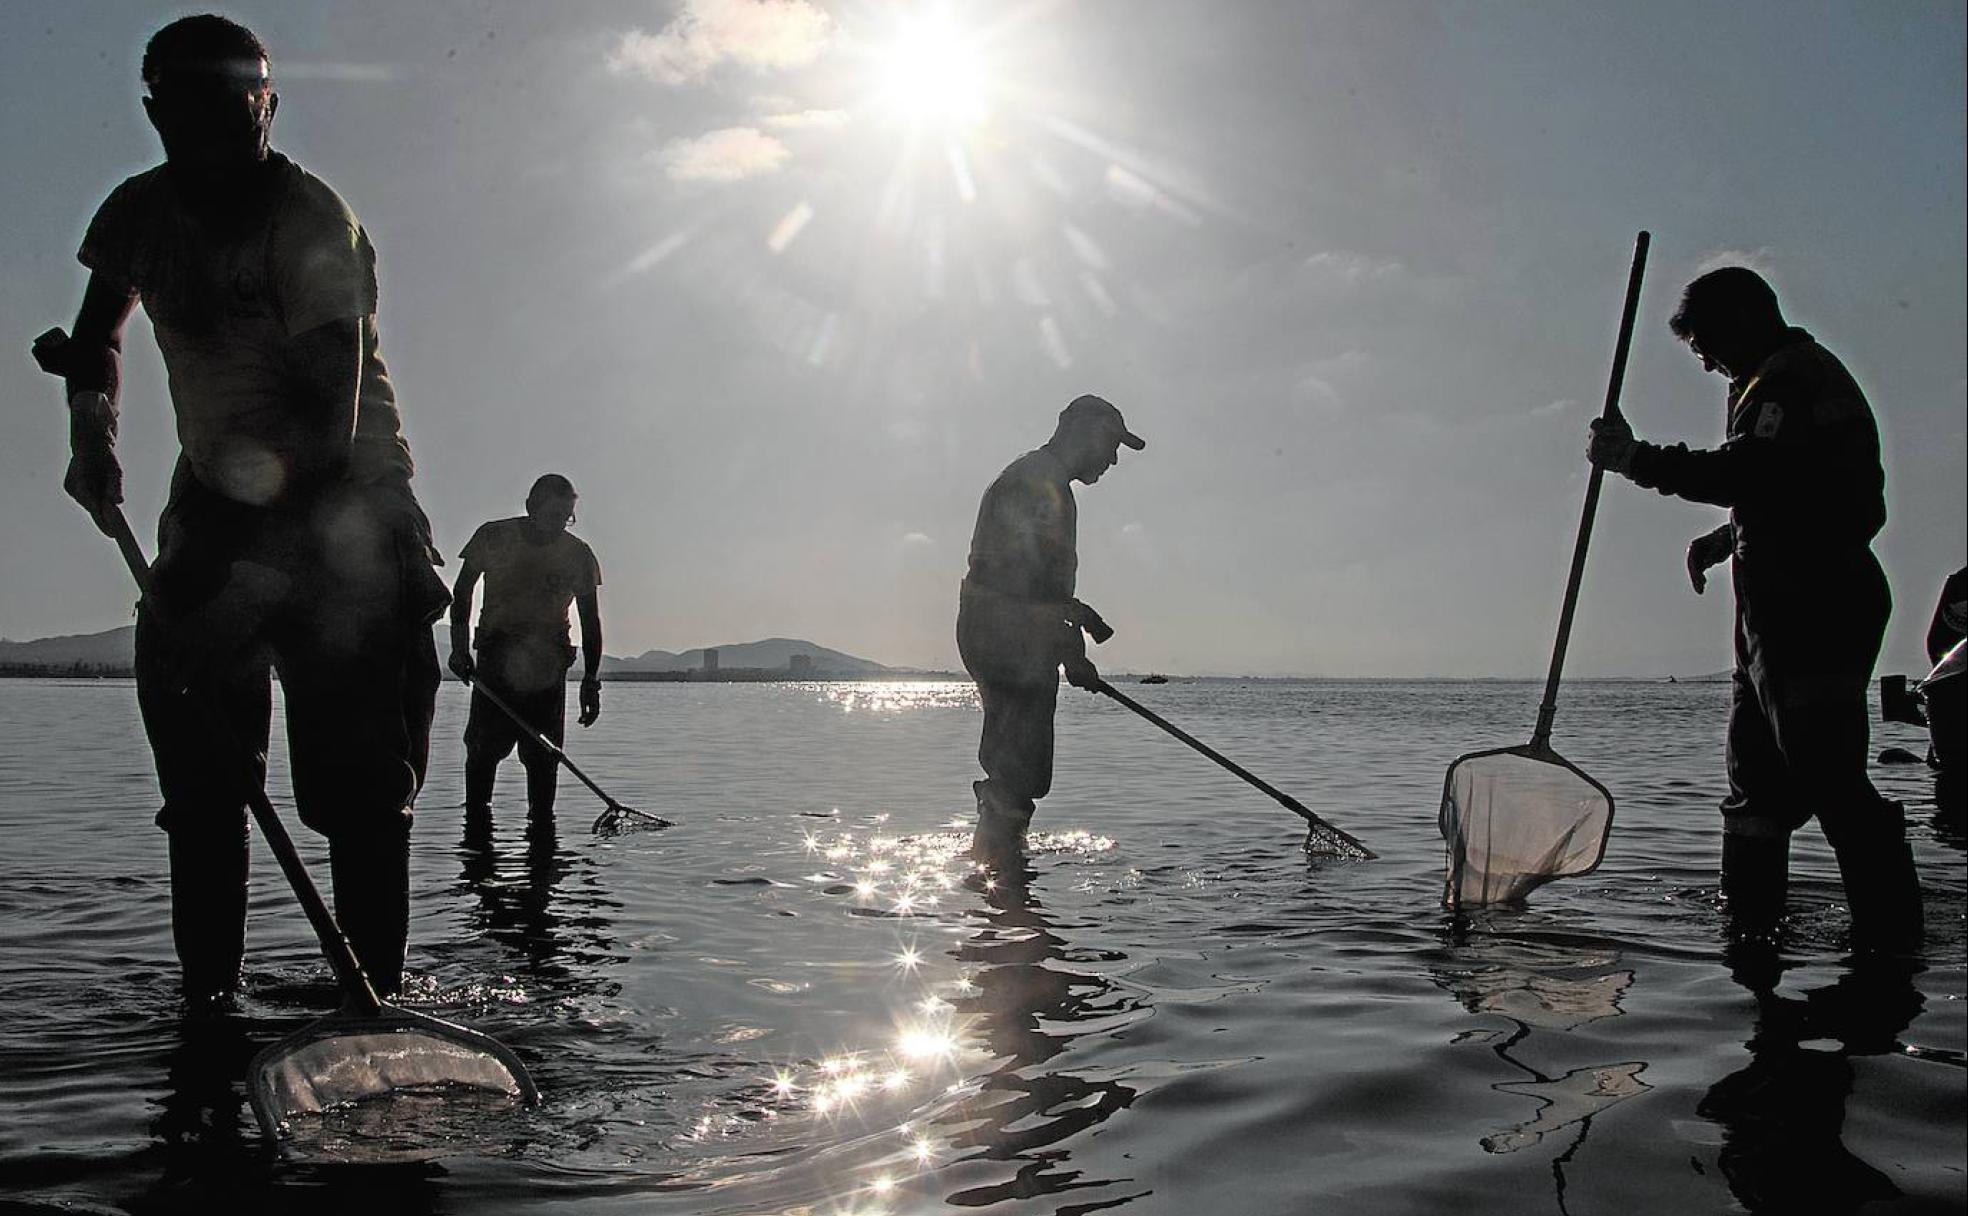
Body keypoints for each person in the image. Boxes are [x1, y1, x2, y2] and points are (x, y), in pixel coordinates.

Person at [41, 16, 447, 1003]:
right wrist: (90, 431)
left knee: (354, 803)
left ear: (268, 104)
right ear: (157, 116)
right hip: (213, 509)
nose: (222, 136)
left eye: (241, 111)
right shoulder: (138, 214)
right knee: (204, 792)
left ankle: (369, 1008)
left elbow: (325, 428)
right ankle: (209, 1020)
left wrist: (249, 597)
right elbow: (98, 337)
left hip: (348, 519)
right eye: (192, 116)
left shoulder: (310, 224)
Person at [1587, 266, 1921, 951]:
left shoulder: (1791, 380)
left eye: (1708, 344)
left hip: (1815, 607)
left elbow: (1749, 474)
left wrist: (1632, 459)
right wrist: (1728, 538)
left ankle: (1892, 943)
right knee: (1756, 790)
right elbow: (1789, 489)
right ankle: (1750, 929)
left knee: (1827, 772)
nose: (1707, 363)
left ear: (1746, 318)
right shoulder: (1766, 382)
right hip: (1771, 614)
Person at [958, 395, 1144, 865]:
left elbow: (1038, 583)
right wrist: (1070, 649)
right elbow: (1029, 582)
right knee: (1020, 769)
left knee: (1019, 768)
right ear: (1083, 433)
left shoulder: (1041, 479)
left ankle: (998, 879)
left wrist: (1068, 640)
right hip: (1008, 635)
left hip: (1000, 630)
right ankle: (1001, 878)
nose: (1113, 459)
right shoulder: (1040, 484)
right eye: (1111, 445)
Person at [448, 474, 604, 823]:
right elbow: (461, 594)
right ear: (531, 507)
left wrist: (591, 681)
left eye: (567, 518)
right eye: (553, 516)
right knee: (482, 760)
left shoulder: (578, 555)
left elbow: (591, 622)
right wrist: (459, 648)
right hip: (495, 667)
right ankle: (476, 858)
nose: (559, 525)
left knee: (543, 766)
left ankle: (542, 862)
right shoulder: (493, 536)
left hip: (547, 675)